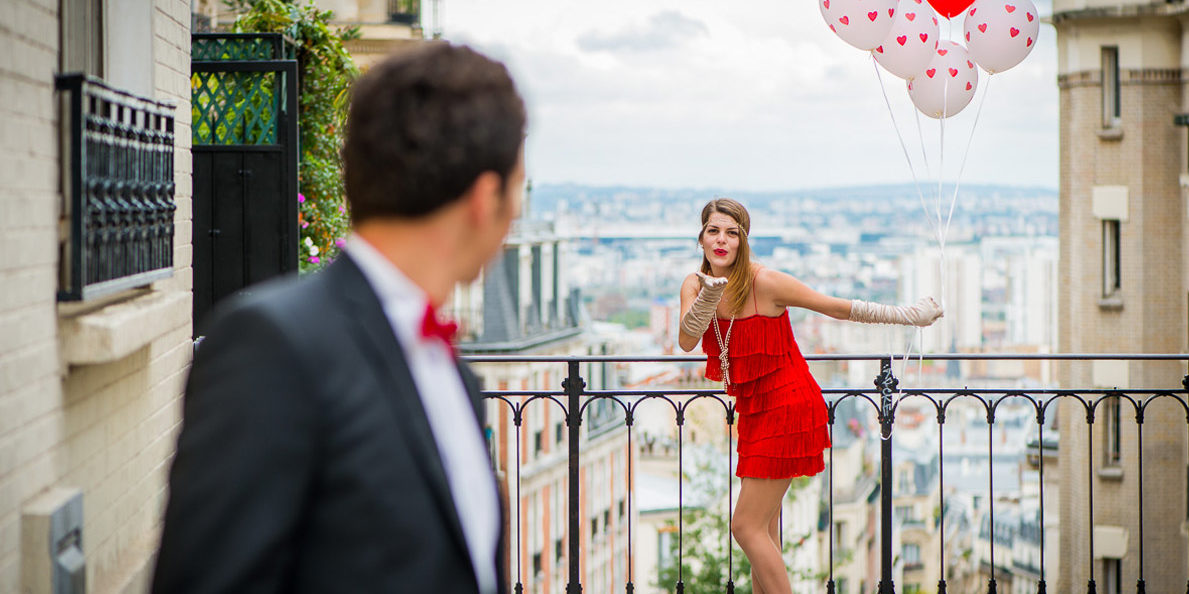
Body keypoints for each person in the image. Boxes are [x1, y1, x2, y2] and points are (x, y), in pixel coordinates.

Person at [151, 43, 526, 594]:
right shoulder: (270, 347)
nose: (516, 213)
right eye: (518, 188)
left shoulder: (453, 374)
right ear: (484, 197)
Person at [677, 198, 942, 594]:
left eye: (732, 233)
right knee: (764, 529)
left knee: (744, 526)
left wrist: (909, 316)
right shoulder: (695, 285)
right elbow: (685, 340)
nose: (721, 240)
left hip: (789, 403)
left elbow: (835, 307)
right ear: (701, 237)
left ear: (743, 241)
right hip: (753, 409)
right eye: (714, 230)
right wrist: (707, 300)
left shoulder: (764, 281)